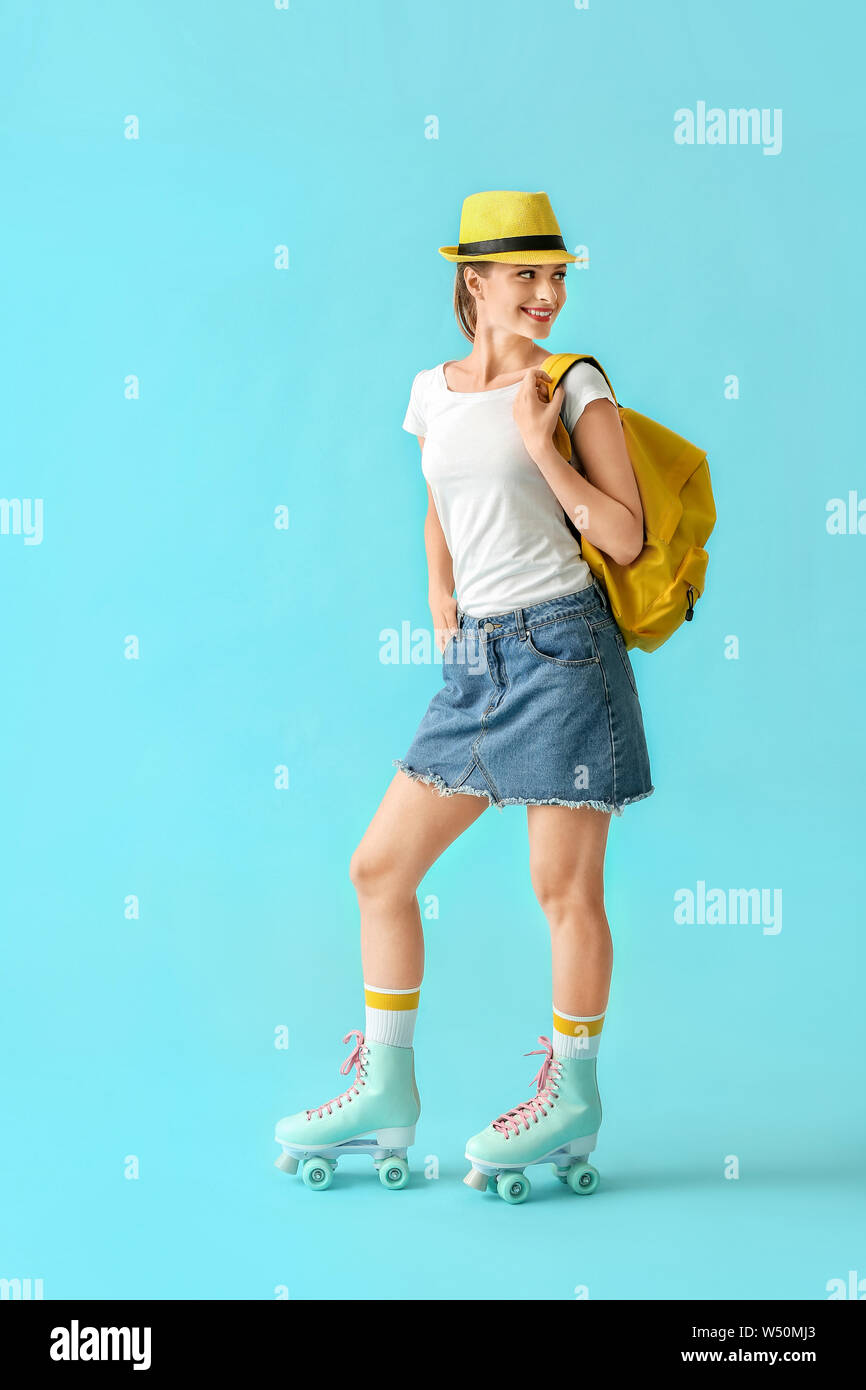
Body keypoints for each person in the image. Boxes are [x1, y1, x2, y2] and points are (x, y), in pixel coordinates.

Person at [274, 190, 654, 1202]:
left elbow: (622, 537)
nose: (544, 293)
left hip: (567, 650)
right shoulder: (429, 393)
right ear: (472, 281)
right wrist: (443, 601)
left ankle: (573, 1096)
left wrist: (541, 449)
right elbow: (441, 503)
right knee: (379, 868)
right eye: (524, 274)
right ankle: (385, 1087)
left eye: (555, 275)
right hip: (479, 664)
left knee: (561, 891)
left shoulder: (574, 386)